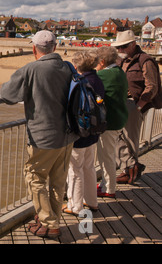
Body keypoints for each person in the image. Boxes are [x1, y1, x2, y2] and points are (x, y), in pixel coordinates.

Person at [0, 30, 78, 239]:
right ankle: (51, 218)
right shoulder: (68, 67)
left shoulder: (31, 69)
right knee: (57, 181)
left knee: (34, 177)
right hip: (68, 134)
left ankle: (50, 222)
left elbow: (7, 95)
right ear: (55, 47)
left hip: (43, 136)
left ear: (34, 48)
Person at [112, 30, 160, 184]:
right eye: (118, 47)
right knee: (115, 136)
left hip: (133, 103)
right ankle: (132, 167)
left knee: (130, 139)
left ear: (133, 44)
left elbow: (152, 87)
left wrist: (138, 106)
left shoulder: (145, 60)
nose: (120, 50)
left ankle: (129, 171)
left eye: (123, 46)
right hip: (119, 103)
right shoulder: (120, 60)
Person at [63, 50, 105, 216]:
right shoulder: (97, 79)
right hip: (94, 131)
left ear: (75, 65)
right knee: (89, 167)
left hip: (80, 133)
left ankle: (74, 206)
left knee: (75, 170)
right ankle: (91, 201)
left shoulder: (80, 81)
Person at [95, 46, 129, 198]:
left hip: (110, 122)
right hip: (119, 118)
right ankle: (105, 184)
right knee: (108, 155)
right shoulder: (120, 72)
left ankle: (109, 189)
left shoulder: (104, 75)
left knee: (106, 156)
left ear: (102, 61)